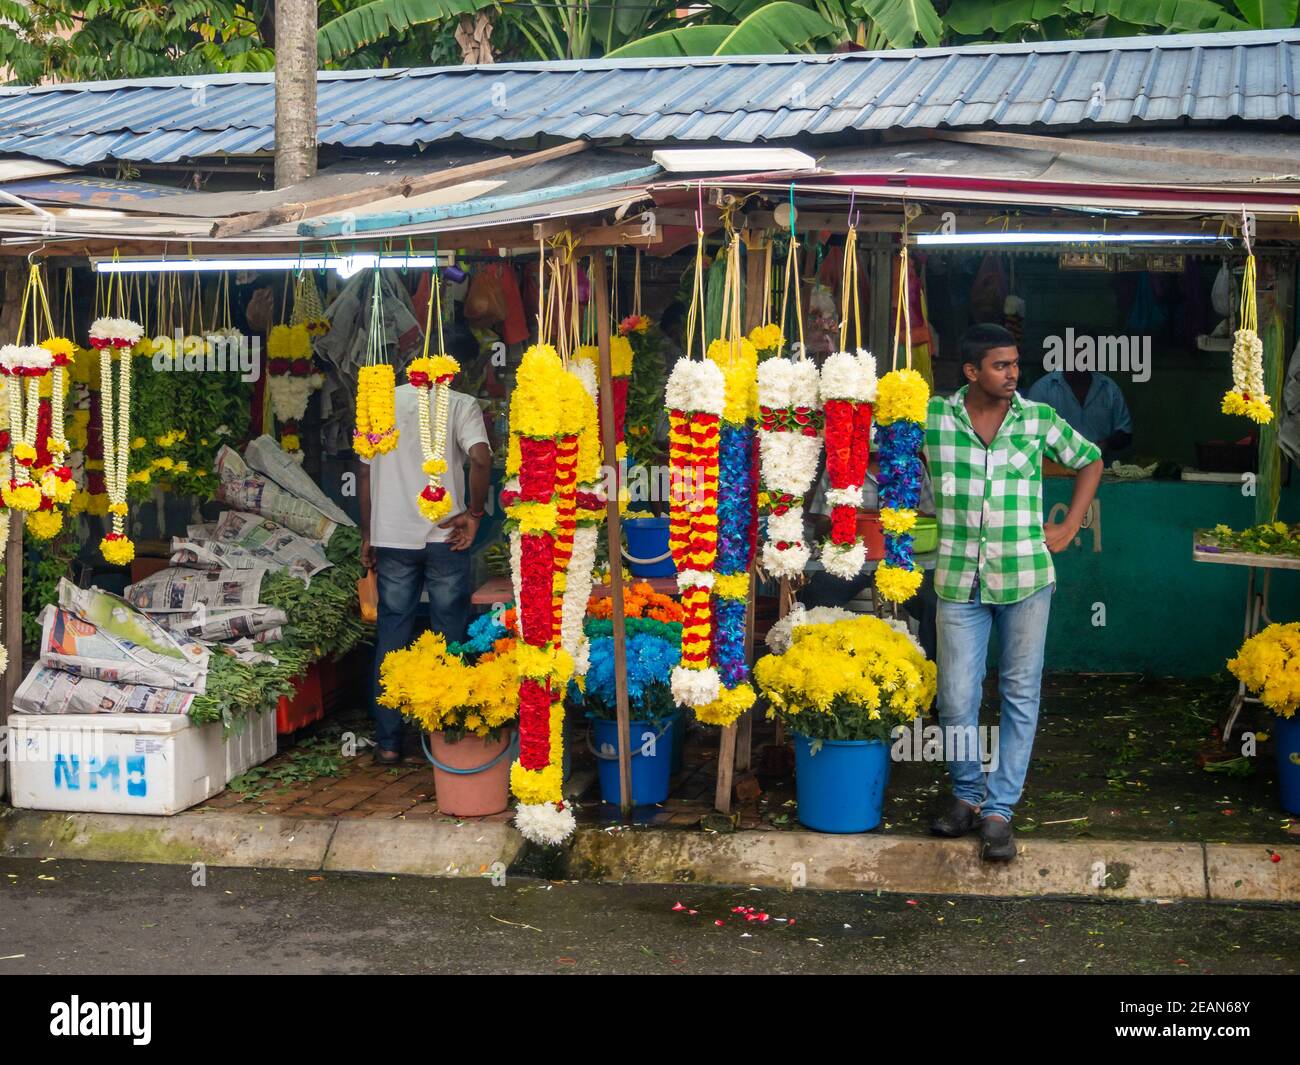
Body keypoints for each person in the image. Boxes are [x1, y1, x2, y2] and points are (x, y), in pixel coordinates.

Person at [925, 323, 1102, 861]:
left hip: (1026, 577)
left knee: (1020, 695)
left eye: (1015, 365)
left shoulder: (1038, 419)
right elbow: (880, 448)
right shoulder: (934, 416)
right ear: (971, 371)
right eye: (1000, 366)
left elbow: (1090, 459)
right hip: (958, 577)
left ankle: (999, 809)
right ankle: (966, 794)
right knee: (956, 697)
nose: (1012, 374)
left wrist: (1070, 527)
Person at [359, 327, 492, 765]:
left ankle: (389, 743)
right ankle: (449, 733)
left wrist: (368, 532)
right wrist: (473, 513)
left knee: (394, 631)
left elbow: (364, 473)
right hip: (445, 536)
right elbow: (480, 457)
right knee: (449, 630)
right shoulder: (460, 404)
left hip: (392, 535)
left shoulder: (382, 403)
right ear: (449, 370)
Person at [799, 455, 939, 660]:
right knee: (814, 599)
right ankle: (824, 671)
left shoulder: (911, 465)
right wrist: (845, 514)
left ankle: (930, 674)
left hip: (902, 563)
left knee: (933, 603)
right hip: (853, 562)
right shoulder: (841, 463)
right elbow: (821, 525)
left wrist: (901, 516)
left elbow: (930, 515)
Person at [1024, 366, 1132, 463]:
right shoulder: (1042, 389)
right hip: (1054, 473)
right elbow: (1028, 437)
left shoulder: (1109, 388)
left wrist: (1106, 444)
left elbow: (1125, 433)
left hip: (1103, 473)